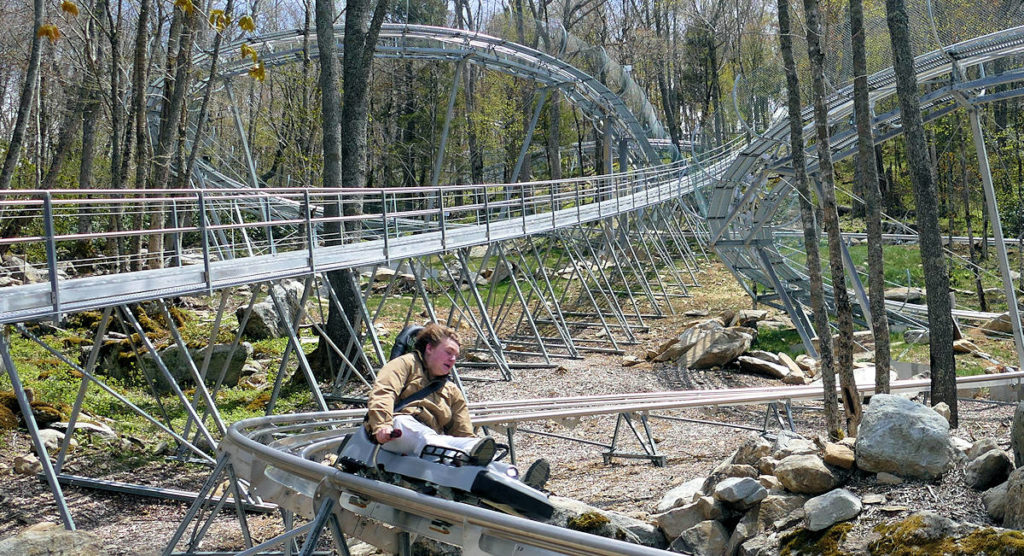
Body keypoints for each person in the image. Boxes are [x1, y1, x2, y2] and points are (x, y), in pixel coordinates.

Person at [365, 323, 549, 490]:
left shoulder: (452, 391)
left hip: (431, 445)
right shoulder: (405, 364)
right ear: (429, 348)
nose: (453, 359)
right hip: (396, 432)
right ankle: (473, 460)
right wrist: (382, 425)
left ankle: (513, 479)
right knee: (423, 436)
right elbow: (383, 392)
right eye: (448, 352)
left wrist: (474, 446)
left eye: (455, 356)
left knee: (471, 449)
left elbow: (463, 432)